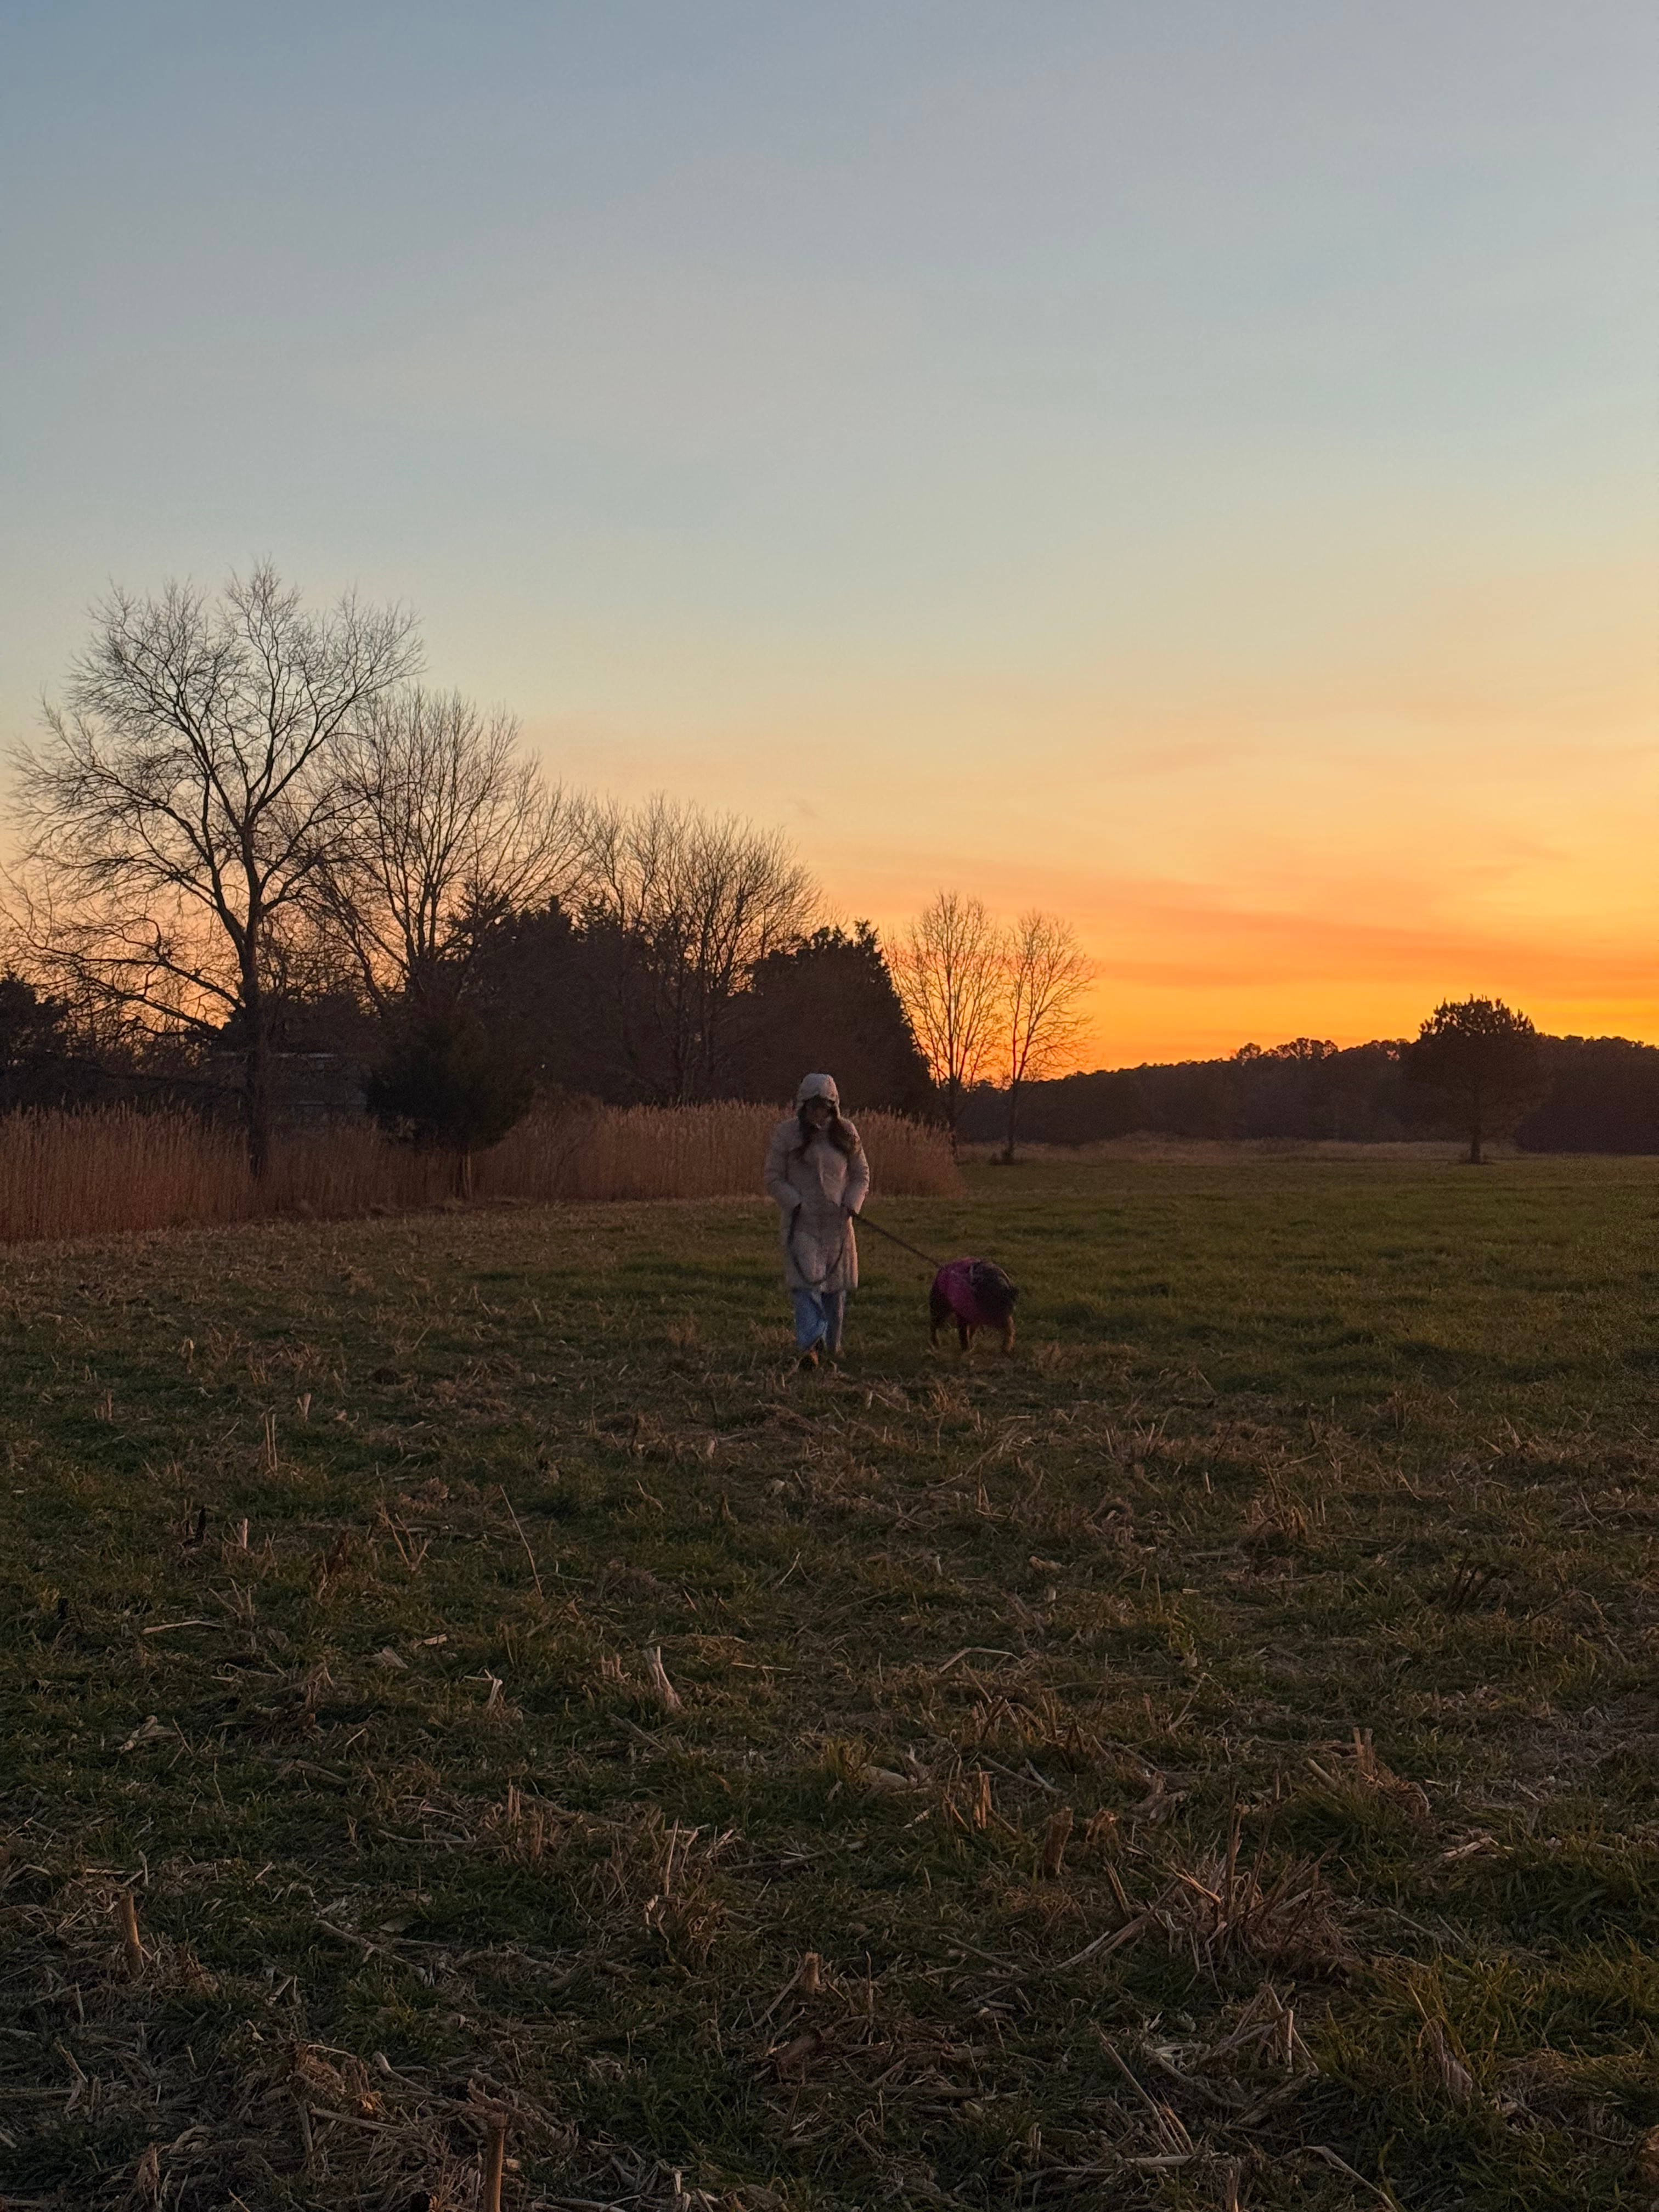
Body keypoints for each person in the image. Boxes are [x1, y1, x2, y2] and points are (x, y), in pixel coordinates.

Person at [763, 1072, 870, 1368]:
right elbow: (773, 1177)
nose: (818, 1113)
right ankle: (810, 1347)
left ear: (833, 1107)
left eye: (824, 1107)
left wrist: (852, 1203)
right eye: (813, 1107)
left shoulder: (847, 1133)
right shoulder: (787, 1135)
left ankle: (833, 1347)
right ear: (803, 1106)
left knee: (835, 1291)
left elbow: (861, 1175)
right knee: (806, 1287)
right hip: (803, 1225)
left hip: (838, 1226)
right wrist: (794, 1202)